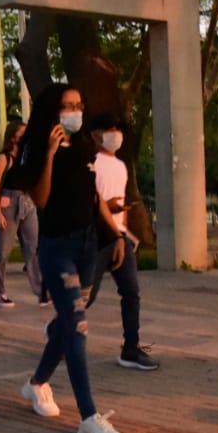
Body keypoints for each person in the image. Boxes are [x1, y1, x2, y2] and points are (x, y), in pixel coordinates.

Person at [7, 84, 128, 433]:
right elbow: (41, 198)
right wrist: (47, 153)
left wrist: (116, 233)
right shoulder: (38, 148)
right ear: (53, 112)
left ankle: (36, 384)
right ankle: (89, 417)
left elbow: (93, 197)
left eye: (79, 104)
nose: (75, 111)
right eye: (67, 106)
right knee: (76, 327)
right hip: (57, 248)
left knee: (67, 324)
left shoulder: (86, 148)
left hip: (88, 246)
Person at [86, 114, 158, 370]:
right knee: (86, 296)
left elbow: (122, 203)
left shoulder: (120, 166)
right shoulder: (90, 164)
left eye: (117, 129)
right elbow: (88, 203)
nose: (115, 134)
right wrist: (108, 207)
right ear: (95, 135)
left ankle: (130, 348)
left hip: (119, 237)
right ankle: (59, 332)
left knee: (131, 293)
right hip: (96, 237)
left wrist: (124, 232)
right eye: (109, 129)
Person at [0, 120, 42, 307]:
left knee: (32, 247)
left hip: (27, 202)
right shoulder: (4, 158)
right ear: (13, 136)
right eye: (22, 133)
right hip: (8, 202)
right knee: (2, 251)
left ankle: (40, 289)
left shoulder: (26, 156)